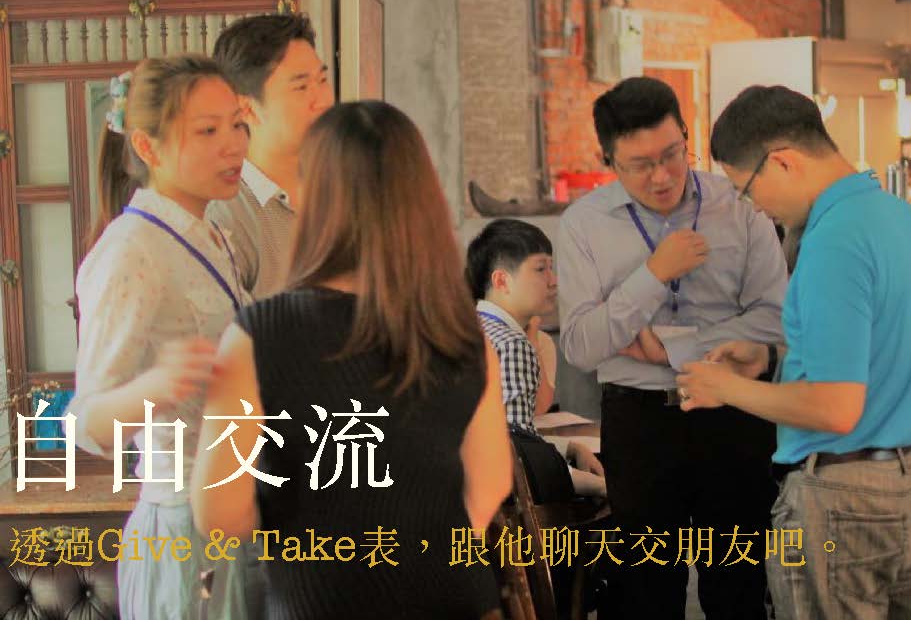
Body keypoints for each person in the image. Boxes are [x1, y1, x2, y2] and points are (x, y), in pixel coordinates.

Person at [192, 101, 511, 619]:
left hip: (317, 602)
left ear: (314, 196)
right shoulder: (462, 332)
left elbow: (220, 514)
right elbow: (492, 480)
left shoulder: (259, 334)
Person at [678, 85, 911, 619]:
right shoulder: (899, 217)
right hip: (910, 487)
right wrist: (771, 361)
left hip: (843, 503)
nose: (754, 207)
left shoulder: (833, 240)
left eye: (747, 188)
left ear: (782, 161)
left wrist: (728, 388)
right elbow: (874, 355)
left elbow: (835, 408)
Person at [557, 76, 788, 618]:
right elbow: (581, 345)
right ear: (609, 159)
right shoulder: (583, 225)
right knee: (645, 593)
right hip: (641, 425)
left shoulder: (738, 203)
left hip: (735, 415)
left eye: (671, 154)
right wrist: (653, 275)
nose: (662, 176)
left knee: (739, 590)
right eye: (640, 164)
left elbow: (775, 318)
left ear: (686, 134)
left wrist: (676, 349)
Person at [69, 56, 250, 619]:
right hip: (181, 525)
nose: (234, 145)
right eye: (208, 131)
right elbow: (85, 422)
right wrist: (155, 387)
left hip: (235, 511)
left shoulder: (214, 233)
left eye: (238, 124)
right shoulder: (131, 250)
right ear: (147, 147)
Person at [466, 218, 606, 499]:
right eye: (541, 269)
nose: (554, 281)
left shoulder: (468, 327)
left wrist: (570, 448)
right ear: (501, 280)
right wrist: (597, 486)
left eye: (551, 268)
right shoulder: (512, 343)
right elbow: (518, 461)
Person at [208, 13, 333, 299]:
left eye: (323, 80)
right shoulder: (226, 217)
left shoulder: (344, 181)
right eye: (301, 87)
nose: (324, 99)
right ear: (247, 110)